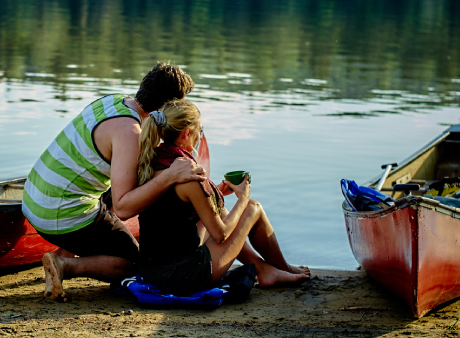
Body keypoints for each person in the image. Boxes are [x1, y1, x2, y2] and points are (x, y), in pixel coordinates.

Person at [22, 62, 206, 302]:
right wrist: (171, 176)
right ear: (168, 107)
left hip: (34, 197)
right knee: (134, 264)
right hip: (58, 213)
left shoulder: (115, 101)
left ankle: (65, 250)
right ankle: (64, 265)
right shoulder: (130, 133)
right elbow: (123, 208)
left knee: (118, 181)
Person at [133, 99, 310, 295]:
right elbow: (221, 234)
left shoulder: (153, 160)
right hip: (182, 277)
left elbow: (171, 208)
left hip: (152, 272)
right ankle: (283, 268)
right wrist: (242, 198)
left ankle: (265, 269)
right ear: (186, 134)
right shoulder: (189, 175)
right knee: (253, 208)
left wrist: (215, 192)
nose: (200, 137)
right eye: (200, 131)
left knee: (220, 211)